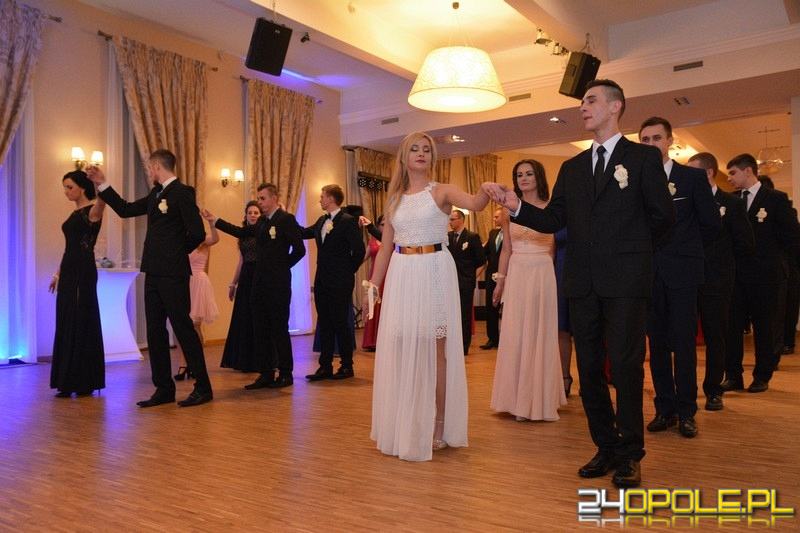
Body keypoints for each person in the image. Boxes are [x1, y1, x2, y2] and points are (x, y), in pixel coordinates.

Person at [485, 79, 674, 487]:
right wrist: (515, 205)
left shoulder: (642, 158)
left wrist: (633, 256)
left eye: (591, 100)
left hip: (626, 283)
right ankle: (605, 446)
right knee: (588, 369)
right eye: (582, 102)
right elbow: (553, 219)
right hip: (581, 284)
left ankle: (630, 453)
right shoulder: (572, 168)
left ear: (615, 106)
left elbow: (663, 218)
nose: (583, 107)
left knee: (624, 367)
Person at [368, 131, 491, 461]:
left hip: (434, 270)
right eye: (415, 149)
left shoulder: (442, 191)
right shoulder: (394, 199)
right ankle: (407, 421)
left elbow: (475, 203)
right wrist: (374, 285)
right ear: (404, 157)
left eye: (426, 149)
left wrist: (485, 189)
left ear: (432, 157)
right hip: (402, 273)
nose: (421, 153)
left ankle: (439, 424)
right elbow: (385, 249)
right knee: (403, 347)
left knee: (437, 353)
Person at [88, 149, 213, 408]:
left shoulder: (183, 192)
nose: (149, 171)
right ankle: (163, 389)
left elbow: (197, 233)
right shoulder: (156, 194)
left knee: (183, 328)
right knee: (155, 331)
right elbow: (125, 209)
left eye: (149, 167)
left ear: (156, 166)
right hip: (153, 272)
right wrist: (102, 183)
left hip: (174, 273)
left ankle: (203, 387)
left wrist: (175, 254)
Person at [638, 116, 720, 439]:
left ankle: (687, 411)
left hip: (683, 273)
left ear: (670, 141)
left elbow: (711, 225)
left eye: (656, 138)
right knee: (657, 344)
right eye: (645, 140)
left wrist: (686, 253)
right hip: (649, 274)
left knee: (684, 344)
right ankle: (665, 409)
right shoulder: (635, 179)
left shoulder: (691, 178)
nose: (651, 144)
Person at [206, 183, 305, 389]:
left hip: (278, 284)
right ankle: (266, 373)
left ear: (274, 198)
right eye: (258, 198)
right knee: (260, 329)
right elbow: (241, 232)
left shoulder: (286, 220)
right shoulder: (261, 222)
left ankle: (285, 373)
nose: (259, 202)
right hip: (258, 284)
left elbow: (300, 250)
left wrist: (281, 266)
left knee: (279, 328)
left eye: (262, 198)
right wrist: (216, 221)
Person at [490, 159, 566, 421]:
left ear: (538, 177)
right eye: (519, 174)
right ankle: (515, 400)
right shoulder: (508, 210)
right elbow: (506, 249)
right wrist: (500, 281)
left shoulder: (551, 209)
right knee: (516, 332)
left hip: (542, 271)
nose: (523, 178)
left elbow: (554, 250)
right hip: (517, 271)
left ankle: (538, 399)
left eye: (529, 173)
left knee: (539, 331)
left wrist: (552, 278)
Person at [723, 154, 800, 393]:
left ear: (748, 171)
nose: (729, 178)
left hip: (766, 277)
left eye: (733, 173)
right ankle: (733, 375)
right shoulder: (731, 200)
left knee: (765, 328)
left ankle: (762, 375)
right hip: (737, 277)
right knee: (732, 328)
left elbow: (792, 237)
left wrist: (782, 267)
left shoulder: (776, 199)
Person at [687, 152, 754, 412]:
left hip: (718, 282)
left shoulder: (732, 203)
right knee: (685, 338)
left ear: (708, 173)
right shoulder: (684, 202)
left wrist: (726, 270)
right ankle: (686, 393)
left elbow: (745, 244)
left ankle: (713, 390)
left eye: (692, 172)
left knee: (716, 337)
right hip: (688, 280)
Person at [49, 170, 106, 398]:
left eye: (70, 187)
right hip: (70, 270)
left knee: (81, 319)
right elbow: (69, 249)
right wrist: (57, 274)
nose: (66, 191)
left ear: (82, 187)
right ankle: (66, 380)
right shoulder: (74, 214)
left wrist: (100, 183)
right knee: (66, 319)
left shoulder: (92, 211)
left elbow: (102, 202)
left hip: (84, 271)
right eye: (64, 187)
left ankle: (84, 381)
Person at [302, 185, 365, 381]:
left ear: (330, 199)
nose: (320, 200)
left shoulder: (347, 221)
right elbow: (303, 233)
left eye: (322, 196)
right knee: (325, 322)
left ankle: (346, 366)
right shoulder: (322, 220)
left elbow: (359, 251)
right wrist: (285, 218)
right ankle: (325, 366)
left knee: (340, 323)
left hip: (340, 281)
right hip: (322, 280)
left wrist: (346, 272)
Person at [174, 218, 220, 380]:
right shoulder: (180, 239)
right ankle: (183, 364)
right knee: (180, 325)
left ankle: (196, 363)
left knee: (195, 326)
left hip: (198, 283)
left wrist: (212, 224)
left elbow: (215, 239)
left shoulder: (203, 240)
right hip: (183, 281)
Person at [220, 201, 262, 372]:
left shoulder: (264, 231)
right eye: (250, 212)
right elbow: (241, 261)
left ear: (261, 215)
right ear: (245, 215)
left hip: (259, 276)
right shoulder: (243, 234)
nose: (252, 215)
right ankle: (244, 360)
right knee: (243, 317)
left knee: (257, 317)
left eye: (256, 212)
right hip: (245, 277)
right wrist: (233, 283)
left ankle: (260, 360)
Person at [447, 209, 486, 355]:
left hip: (465, 283)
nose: (450, 222)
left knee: (464, 315)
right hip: (450, 282)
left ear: (461, 220)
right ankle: (451, 344)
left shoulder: (472, 237)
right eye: (449, 219)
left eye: (452, 219)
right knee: (451, 315)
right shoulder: (448, 237)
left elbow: (482, 262)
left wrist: (471, 278)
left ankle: (464, 346)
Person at [360, 215, 385, 351]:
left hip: (389, 276)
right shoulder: (373, 241)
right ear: (378, 225)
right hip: (375, 276)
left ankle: (385, 340)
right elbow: (363, 257)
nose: (385, 227)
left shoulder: (394, 239)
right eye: (382, 224)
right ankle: (372, 340)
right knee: (373, 306)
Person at [480, 208, 503, 350]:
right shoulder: (493, 233)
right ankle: (492, 339)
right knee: (491, 308)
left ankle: (507, 340)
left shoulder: (512, 234)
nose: (494, 219)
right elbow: (486, 252)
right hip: (491, 275)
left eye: (496, 217)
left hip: (506, 276)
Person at [554, 227, 573, 396]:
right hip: (559, 271)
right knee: (562, 328)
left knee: (586, 330)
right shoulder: (556, 215)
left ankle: (591, 379)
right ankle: (564, 377)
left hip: (585, 269)